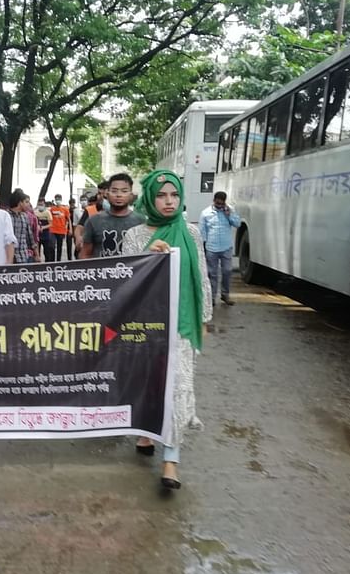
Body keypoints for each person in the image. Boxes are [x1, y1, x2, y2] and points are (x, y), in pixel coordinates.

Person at [122, 169, 212, 491]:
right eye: (161, 195)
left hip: (180, 325)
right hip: (145, 325)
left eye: (174, 195)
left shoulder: (189, 232)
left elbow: (201, 277)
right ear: (149, 198)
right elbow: (124, 279)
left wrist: (204, 317)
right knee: (148, 383)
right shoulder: (134, 236)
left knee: (177, 386)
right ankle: (146, 433)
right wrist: (149, 256)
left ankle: (171, 461)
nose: (169, 201)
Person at [79, 173, 144, 258]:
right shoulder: (93, 221)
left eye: (124, 191)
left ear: (131, 195)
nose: (119, 195)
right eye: (114, 191)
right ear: (107, 194)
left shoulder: (141, 222)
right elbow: (85, 254)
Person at [199, 191, 241, 306]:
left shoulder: (229, 210)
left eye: (221, 204)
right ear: (214, 200)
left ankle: (225, 294)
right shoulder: (206, 213)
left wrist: (229, 215)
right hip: (211, 248)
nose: (219, 206)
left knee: (227, 271)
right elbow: (202, 231)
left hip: (226, 247)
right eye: (218, 204)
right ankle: (212, 297)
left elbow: (238, 224)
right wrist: (202, 246)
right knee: (212, 273)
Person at [74, 180, 109, 252]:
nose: (101, 197)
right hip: (92, 251)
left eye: (105, 195)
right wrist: (78, 237)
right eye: (99, 193)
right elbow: (79, 227)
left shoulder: (118, 212)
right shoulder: (90, 210)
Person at [8, 189, 37, 263]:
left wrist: (37, 254)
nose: (29, 205)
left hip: (23, 257)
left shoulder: (25, 216)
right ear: (20, 202)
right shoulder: (6, 216)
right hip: (9, 258)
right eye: (26, 202)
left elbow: (31, 237)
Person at [49, 194, 70, 261]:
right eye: (56, 199)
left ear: (61, 199)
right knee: (52, 245)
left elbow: (68, 219)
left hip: (61, 230)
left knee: (59, 246)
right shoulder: (52, 209)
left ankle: (58, 260)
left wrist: (70, 229)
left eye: (59, 199)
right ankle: (52, 260)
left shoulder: (65, 209)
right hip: (53, 230)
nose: (58, 200)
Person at [34, 196, 54, 262]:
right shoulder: (35, 212)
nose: (40, 206)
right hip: (37, 234)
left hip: (46, 234)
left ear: (44, 204)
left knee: (47, 252)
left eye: (42, 204)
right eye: (39, 204)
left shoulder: (47, 212)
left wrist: (43, 227)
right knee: (37, 251)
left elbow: (51, 224)